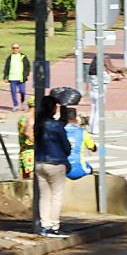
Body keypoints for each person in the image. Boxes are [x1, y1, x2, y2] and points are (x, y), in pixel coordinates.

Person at [34, 95, 71, 238]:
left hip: (40, 162)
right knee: (56, 196)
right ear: (53, 108)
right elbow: (66, 146)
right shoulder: (56, 125)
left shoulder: (38, 124)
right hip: (55, 162)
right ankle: (55, 226)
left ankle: (45, 225)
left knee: (44, 196)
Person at [88, 54, 124, 135]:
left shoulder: (93, 72)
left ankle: (91, 128)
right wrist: (112, 75)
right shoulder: (101, 72)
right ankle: (96, 130)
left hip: (93, 92)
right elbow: (107, 79)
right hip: (99, 93)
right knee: (99, 112)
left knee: (93, 110)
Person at [63, 107, 96, 180]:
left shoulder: (60, 131)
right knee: (89, 169)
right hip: (78, 170)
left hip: (63, 169)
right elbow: (92, 148)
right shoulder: (82, 132)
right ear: (76, 120)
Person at [2, 43, 30, 110]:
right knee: (13, 92)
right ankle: (15, 105)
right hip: (12, 78)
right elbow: (7, 67)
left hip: (21, 78)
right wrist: (5, 76)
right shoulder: (10, 57)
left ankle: (23, 102)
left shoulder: (23, 56)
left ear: (19, 48)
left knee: (22, 91)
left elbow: (27, 66)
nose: (15, 49)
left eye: (17, 48)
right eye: (14, 48)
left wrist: (26, 75)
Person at [17, 96, 36, 179]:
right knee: (32, 179)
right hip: (30, 152)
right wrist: (37, 143)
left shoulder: (22, 117)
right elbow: (28, 133)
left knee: (23, 180)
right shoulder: (31, 117)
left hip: (23, 151)